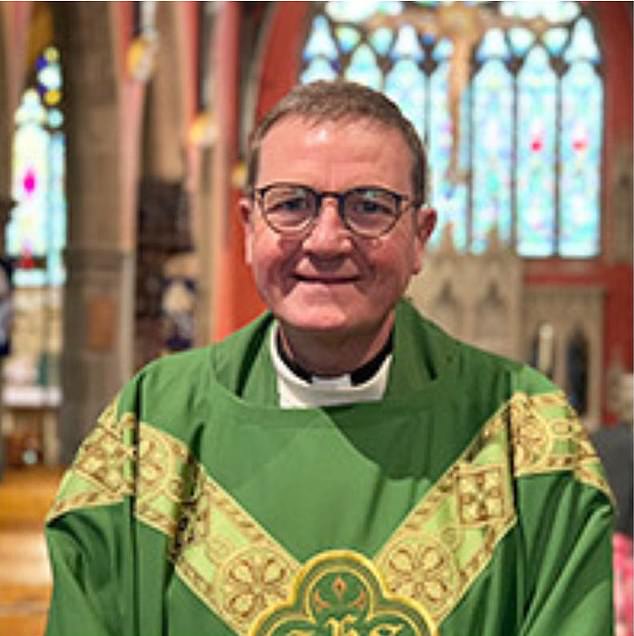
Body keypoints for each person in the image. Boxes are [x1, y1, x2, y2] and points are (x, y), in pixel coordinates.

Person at [44, 80, 614, 636]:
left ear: (420, 236)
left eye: (370, 207)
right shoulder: (151, 427)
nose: (326, 239)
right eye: (292, 204)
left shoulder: (525, 437)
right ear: (248, 229)